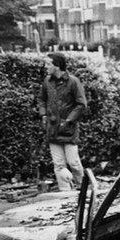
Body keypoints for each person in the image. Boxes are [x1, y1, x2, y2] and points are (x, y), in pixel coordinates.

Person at [38, 52, 87, 191]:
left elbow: (81, 104)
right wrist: (43, 115)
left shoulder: (73, 81)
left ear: (57, 65)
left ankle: (83, 189)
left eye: (48, 64)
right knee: (59, 165)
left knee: (74, 163)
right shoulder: (47, 81)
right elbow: (41, 99)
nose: (46, 66)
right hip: (52, 129)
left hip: (68, 129)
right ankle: (65, 194)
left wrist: (69, 120)